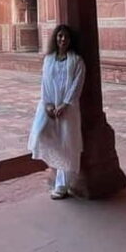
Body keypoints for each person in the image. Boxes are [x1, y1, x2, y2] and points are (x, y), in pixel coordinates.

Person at [28, 24, 85, 200]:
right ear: (55, 38)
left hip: (68, 109)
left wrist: (66, 104)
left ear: (70, 40)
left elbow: (77, 85)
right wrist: (48, 104)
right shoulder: (49, 59)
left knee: (67, 145)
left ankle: (62, 185)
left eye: (66, 37)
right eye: (59, 36)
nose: (62, 39)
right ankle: (55, 169)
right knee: (40, 134)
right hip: (49, 106)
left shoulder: (77, 61)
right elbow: (44, 83)